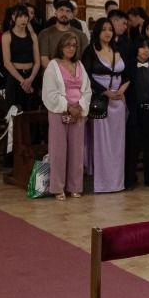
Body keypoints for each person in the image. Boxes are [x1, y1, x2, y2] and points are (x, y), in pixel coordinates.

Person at [41, 32, 91, 200]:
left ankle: (75, 186)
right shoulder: (53, 66)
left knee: (77, 151)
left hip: (78, 113)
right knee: (58, 151)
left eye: (74, 45)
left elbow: (87, 90)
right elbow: (49, 92)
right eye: (67, 45)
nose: (71, 48)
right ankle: (57, 188)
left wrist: (80, 107)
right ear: (61, 47)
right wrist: (68, 107)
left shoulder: (80, 65)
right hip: (59, 112)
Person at [83, 17, 128, 193]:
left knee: (118, 144)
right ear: (97, 32)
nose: (108, 32)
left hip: (119, 101)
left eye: (110, 29)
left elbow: (127, 73)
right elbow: (86, 76)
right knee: (102, 144)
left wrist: (122, 89)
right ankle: (103, 183)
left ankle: (117, 182)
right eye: (104, 29)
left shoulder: (118, 50)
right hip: (101, 101)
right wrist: (104, 91)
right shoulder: (90, 51)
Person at [123, 34, 149, 190]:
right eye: (142, 47)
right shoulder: (128, 66)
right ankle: (129, 179)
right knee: (132, 147)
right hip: (134, 111)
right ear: (136, 48)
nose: (146, 50)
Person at [1, 6, 42, 114]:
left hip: (31, 76)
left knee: (31, 111)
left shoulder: (33, 36)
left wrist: (30, 79)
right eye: (20, 16)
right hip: (15, 77)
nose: (23, 19)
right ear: (14, 17)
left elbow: (37, 61)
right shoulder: (7, 36)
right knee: (15, 113)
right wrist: (23, 81)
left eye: (25, 16)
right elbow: (7, 63)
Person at [38, 0, 85, 68]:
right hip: (51, 75)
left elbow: (83, 61)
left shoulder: (81, 36)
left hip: (74, 75)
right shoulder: (44, 34)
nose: (64, 14)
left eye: (68, 11)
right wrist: (61, 74)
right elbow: (44, 60)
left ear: (72, 15)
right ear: (55, 13)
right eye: (61, 10)